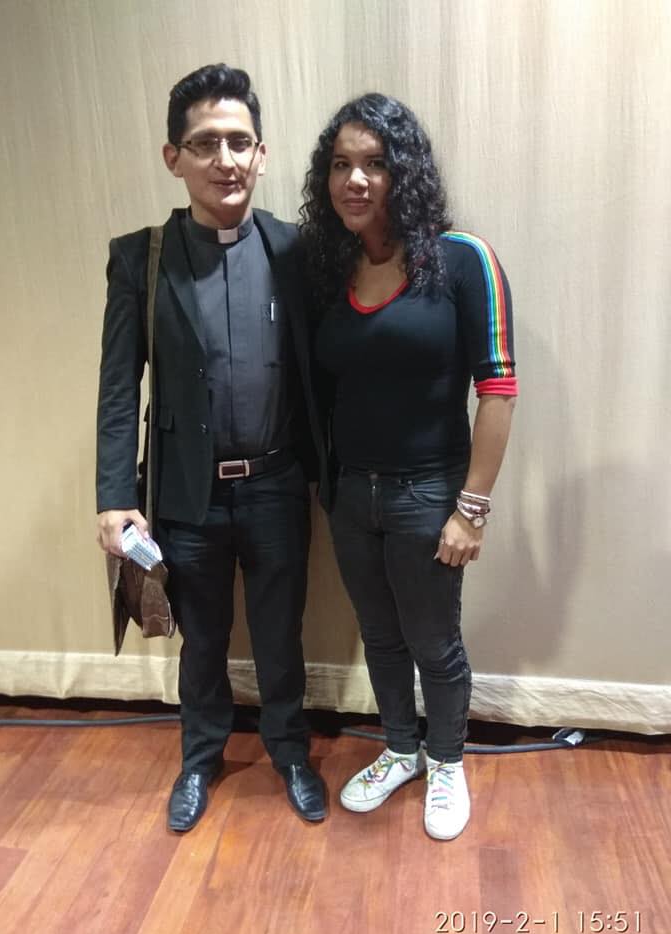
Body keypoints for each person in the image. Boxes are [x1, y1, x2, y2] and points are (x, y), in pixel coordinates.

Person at [96, 64, 329, 832]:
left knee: (280, 635)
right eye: (205, 144)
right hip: (185, 493)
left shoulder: (296, 251)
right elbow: (119, 387)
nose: (224, 160)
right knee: (201, 643)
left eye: (238, 142)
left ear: (261, 153)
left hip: (275, 485)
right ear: (175, 158)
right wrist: (114, 498)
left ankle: (289, 751)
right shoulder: (140, 259)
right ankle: (199, 757)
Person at [300, 94, 517, 840]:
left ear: (406, 171)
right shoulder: (329, 269)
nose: (355, 180)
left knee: (434, 642)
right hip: (351, 495)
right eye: (340, 165)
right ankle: (400, 749)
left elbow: (498, 390)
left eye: (374, 163)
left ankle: (447, 761)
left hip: (430, 493)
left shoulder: (462, 259)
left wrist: (471, 510)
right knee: (381, 636)